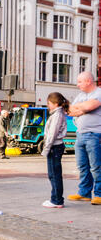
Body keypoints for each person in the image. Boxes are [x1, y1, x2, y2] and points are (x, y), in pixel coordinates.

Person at [67, 71, 101, 206]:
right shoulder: (81, 95)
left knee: (96, 166)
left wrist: (81, 108)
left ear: (88, 81)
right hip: (80, 134)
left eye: (80, 82)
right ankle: (84, 193)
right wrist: (83, 109)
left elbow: (90, 106)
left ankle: (98, 194)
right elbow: (69, 111)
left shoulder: (99, 93)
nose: (77, 84)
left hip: (94, 134)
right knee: (82, 166)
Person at [41, 93, 69, 208]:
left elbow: (52, 134)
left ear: (55, 104)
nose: (47, 105)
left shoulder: (57, 115)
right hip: (56, 146)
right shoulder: (58, 113)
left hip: (55, 147)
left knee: (54, 174)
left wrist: (46, 149)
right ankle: (57, 199)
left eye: (49, 103)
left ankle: (56, 200)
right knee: (54, 174)